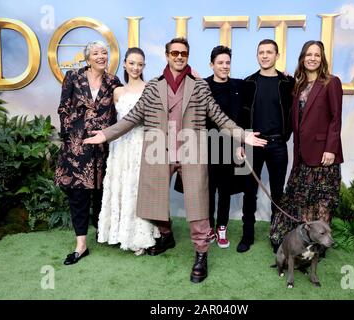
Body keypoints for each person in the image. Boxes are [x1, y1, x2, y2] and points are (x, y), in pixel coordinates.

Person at [84, 37, 267, 283]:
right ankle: (166, 234)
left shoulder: (200, 86)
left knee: (198, 207)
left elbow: (219, 117)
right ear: (167, 55)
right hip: (158, 150)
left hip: (192, 151)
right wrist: (105, 135)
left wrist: (242, 134)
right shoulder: (153, 86)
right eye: (174, 53)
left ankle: (201, 254)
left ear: (187, 56)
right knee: (153, 200)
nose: (179, 57)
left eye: (183, 53)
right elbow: (133, 117)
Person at [269, 40, 343, 252]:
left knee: (321, 202)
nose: (312, 58)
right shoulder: (298, 85)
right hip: (302, 154)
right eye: (308, 54)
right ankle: (299, 244)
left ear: (322, 59)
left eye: (317, 55)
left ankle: (319, 248)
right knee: (299, 200)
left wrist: (331, 148)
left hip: (323, 155)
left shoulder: (331, 82)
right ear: (302, 58)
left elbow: (335, 119)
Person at [54, 40, 123, 265]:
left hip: (103, 147)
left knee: (102, 193)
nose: (101, 56)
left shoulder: (113, 81)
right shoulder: (73, 76)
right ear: (88, 58)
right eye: (96, 53)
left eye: (104, 52)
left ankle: (103, 232)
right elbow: (63, 108)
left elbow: (123, 108)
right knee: (78, 196)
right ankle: (81, 245)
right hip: (77, 147)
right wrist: (72, 134)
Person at [97, 47, 160, 256]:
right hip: (120, 145)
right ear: (124, 64)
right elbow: (116, 121)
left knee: (137, 188)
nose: (135, 67)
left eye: (140, 64)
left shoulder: (150, 88)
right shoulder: (117, 92)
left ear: (144, 67)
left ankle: (140, 236)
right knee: (122, 185)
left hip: (142, 143)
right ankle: (119, 232)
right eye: (132, 63)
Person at [236, 39, 295, 253]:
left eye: (269, 52)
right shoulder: (248, 83)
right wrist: (241, 142)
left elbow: (294, 109)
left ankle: (276, 235)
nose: (264, 56)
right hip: (253, 144)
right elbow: (241, 115)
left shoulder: (287, 83)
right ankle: (247, 235)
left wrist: (285, 136)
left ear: (277, 55)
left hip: (278, 144)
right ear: (257, 55)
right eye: (261, 52)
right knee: (249, 192)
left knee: (278, 193)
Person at [205, 46, 247, 248]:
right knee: (207, 190)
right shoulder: (202, 86)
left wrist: (241, 144)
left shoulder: (238, 86)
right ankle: (208, 228)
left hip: (230, 147)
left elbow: (242, 118)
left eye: (227, 62)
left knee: (224, 191)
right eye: (220, 62)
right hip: (207, 146)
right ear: (211, 64)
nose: (224, 66)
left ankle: (222, 227)